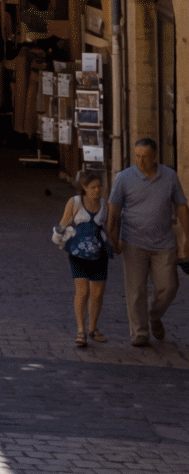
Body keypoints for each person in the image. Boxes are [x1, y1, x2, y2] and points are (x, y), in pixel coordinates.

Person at [107, 136, 188, 347]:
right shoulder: (124, 178)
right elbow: (114, 210)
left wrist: (188, 237)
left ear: (155, 157)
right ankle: (139, 332)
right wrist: (112, 238)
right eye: (137, 156)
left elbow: (181, 206)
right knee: (136, 290)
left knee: (169, 287)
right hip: (133, 241)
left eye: (145, 157)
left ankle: (154, 315)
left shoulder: (169, 176)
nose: (140, 161)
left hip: (164, 243)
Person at [60, 171, 114, 347]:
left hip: (99, 254)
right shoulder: (75, 202)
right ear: (84, 187)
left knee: (97, 294)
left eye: (99, 186)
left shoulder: (105, 204)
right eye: (93, 187)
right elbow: (63, 224)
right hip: (78, 253)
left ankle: (93, 328)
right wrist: (61, 239)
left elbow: (108, 228)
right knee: (82, 292)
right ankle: (81, 330)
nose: (97, 190)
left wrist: (115, 244)